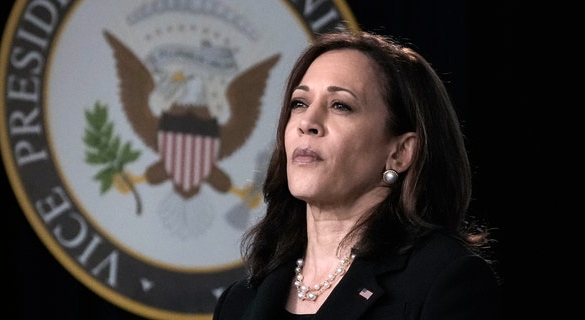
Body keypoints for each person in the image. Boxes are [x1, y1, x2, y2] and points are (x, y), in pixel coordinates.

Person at [213, 28, 502, 319]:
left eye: (341, 105)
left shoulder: (443, 281)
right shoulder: (238, 303)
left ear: (400, 152)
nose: (308, 122)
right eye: (299, 104)